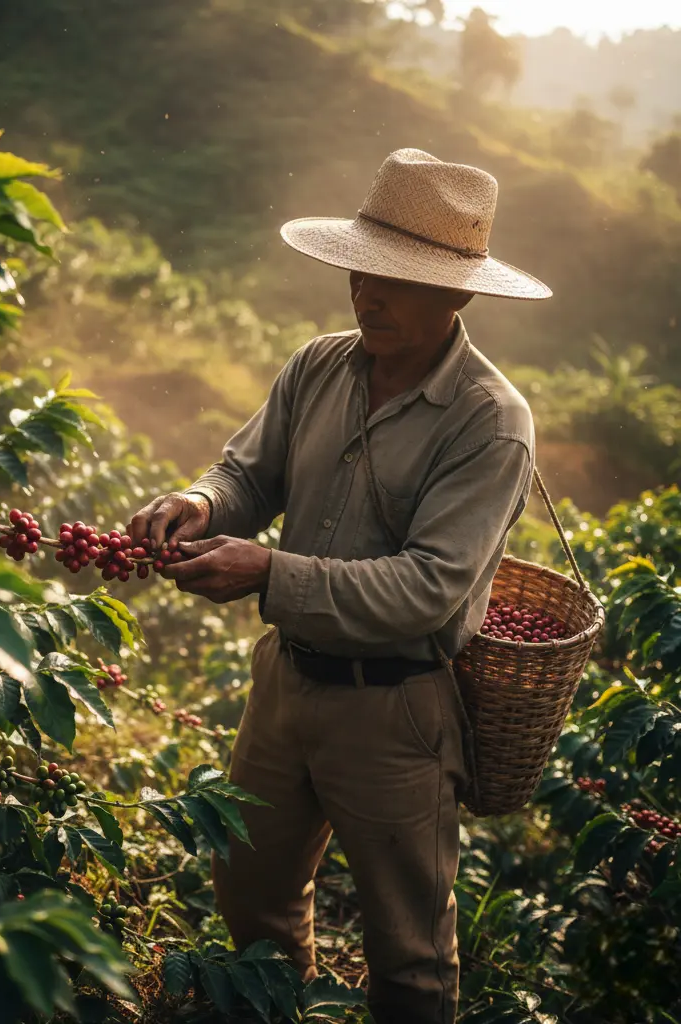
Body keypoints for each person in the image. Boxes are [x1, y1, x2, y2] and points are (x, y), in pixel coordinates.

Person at [128, 148, 551, 1024]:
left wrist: (269, 570)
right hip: (286, 684)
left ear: (459, 296)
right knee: (253, 901)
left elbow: (428, 589)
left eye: (397, 281)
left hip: (395, 711)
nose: (367, 295)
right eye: (363, 271)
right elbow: (250, 473)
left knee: (411, 956)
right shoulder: (320, 364)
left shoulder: (489, 421)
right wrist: (201, 502)